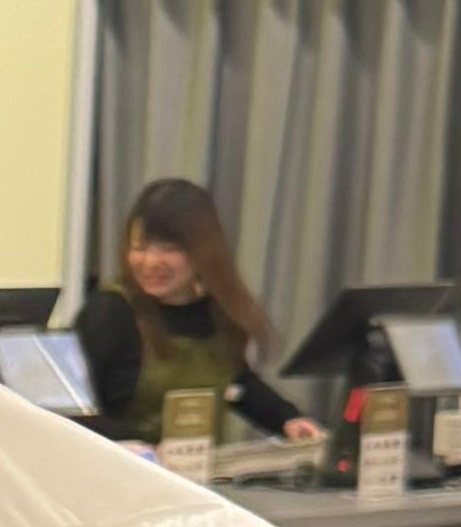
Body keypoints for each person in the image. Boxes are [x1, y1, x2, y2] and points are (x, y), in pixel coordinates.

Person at [73, 176, 323, 451]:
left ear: (203, 251)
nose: (150, 262)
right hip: (125, 468)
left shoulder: (219, 309)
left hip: (201, 469)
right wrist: (139, 445)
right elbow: (75, 414)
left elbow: (236, 385)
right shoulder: (109, 312)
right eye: (140, 248)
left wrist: (287, 419)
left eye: (168, 249)